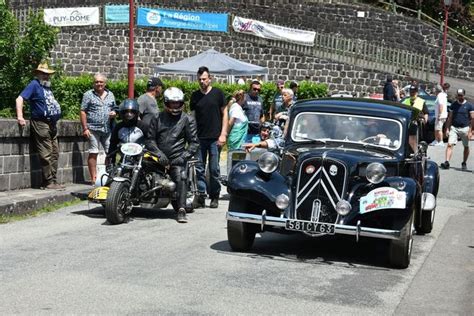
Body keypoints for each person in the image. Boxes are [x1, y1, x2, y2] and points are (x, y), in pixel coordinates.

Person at [147, 87, 199, 223]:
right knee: (140, 167)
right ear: (166, 102)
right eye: (172, 103)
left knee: (181, 175)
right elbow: (150, 139)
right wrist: (158, 153)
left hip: (177, 159)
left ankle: (181, 209)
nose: (175, 105)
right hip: (157, 158)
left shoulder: (188, 119)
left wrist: (182, 157)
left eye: (177, 103)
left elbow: (194, 143)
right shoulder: (157, 117)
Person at [16, 62, 64, 190]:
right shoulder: (34, 84)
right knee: (46, 153)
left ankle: (53, 180)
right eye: (43, 74)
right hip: (41, 123)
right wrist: (20, 117)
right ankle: (48, 182)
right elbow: (19, 99)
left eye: (47, 74)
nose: (46, 76)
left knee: (55, 153)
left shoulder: (47, 87)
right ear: (37, 74)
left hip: (52, 124)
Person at [190, 66, 228, 209]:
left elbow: (225, 114)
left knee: (214, 169)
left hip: (215, 138)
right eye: (199, 79)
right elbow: (192, 117)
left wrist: (223, 134)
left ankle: (214, 196)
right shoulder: (195, 96)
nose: (202, 81)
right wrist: (191, 135)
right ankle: (200, 196)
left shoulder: (218, 93)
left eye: (204, 79)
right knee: (199, 168)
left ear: (210, 78)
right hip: (199, 138)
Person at [80, 73, 117, 185]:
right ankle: (94, 178)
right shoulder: (88, 95)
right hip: (93, 129)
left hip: (107, 129)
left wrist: (114, 113)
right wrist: (85, 128)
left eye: (101, 82)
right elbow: (83, 111)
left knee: (110, 153)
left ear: (105, 83)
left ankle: (107, 176)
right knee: (93, 152)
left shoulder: (111, 94)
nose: (99, 84)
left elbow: (115, 107)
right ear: (93, 83)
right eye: (97, 82)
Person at [440, 89, 474, 170]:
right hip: (454, 128)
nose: (460, 96)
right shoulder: (453, 105)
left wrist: (471, 131)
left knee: (465, 146)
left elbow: (473, 119)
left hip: (465, 128)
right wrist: (447, 129)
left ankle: (464, 162)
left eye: (461, 95)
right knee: (449, 144)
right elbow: (450, 118)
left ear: (464, 95)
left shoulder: (469, 105)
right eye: (459, 95)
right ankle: (447, 162)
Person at [402, 85, 429, 149]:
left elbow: (426, 113)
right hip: (406, 123)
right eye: (411, 92)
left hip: (417, 123)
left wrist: (425, 121)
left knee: (413, 140)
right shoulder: (405, 101)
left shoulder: (421, 101)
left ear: (417, 92)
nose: (412, 93)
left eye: (413, 92)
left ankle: (415, 152)